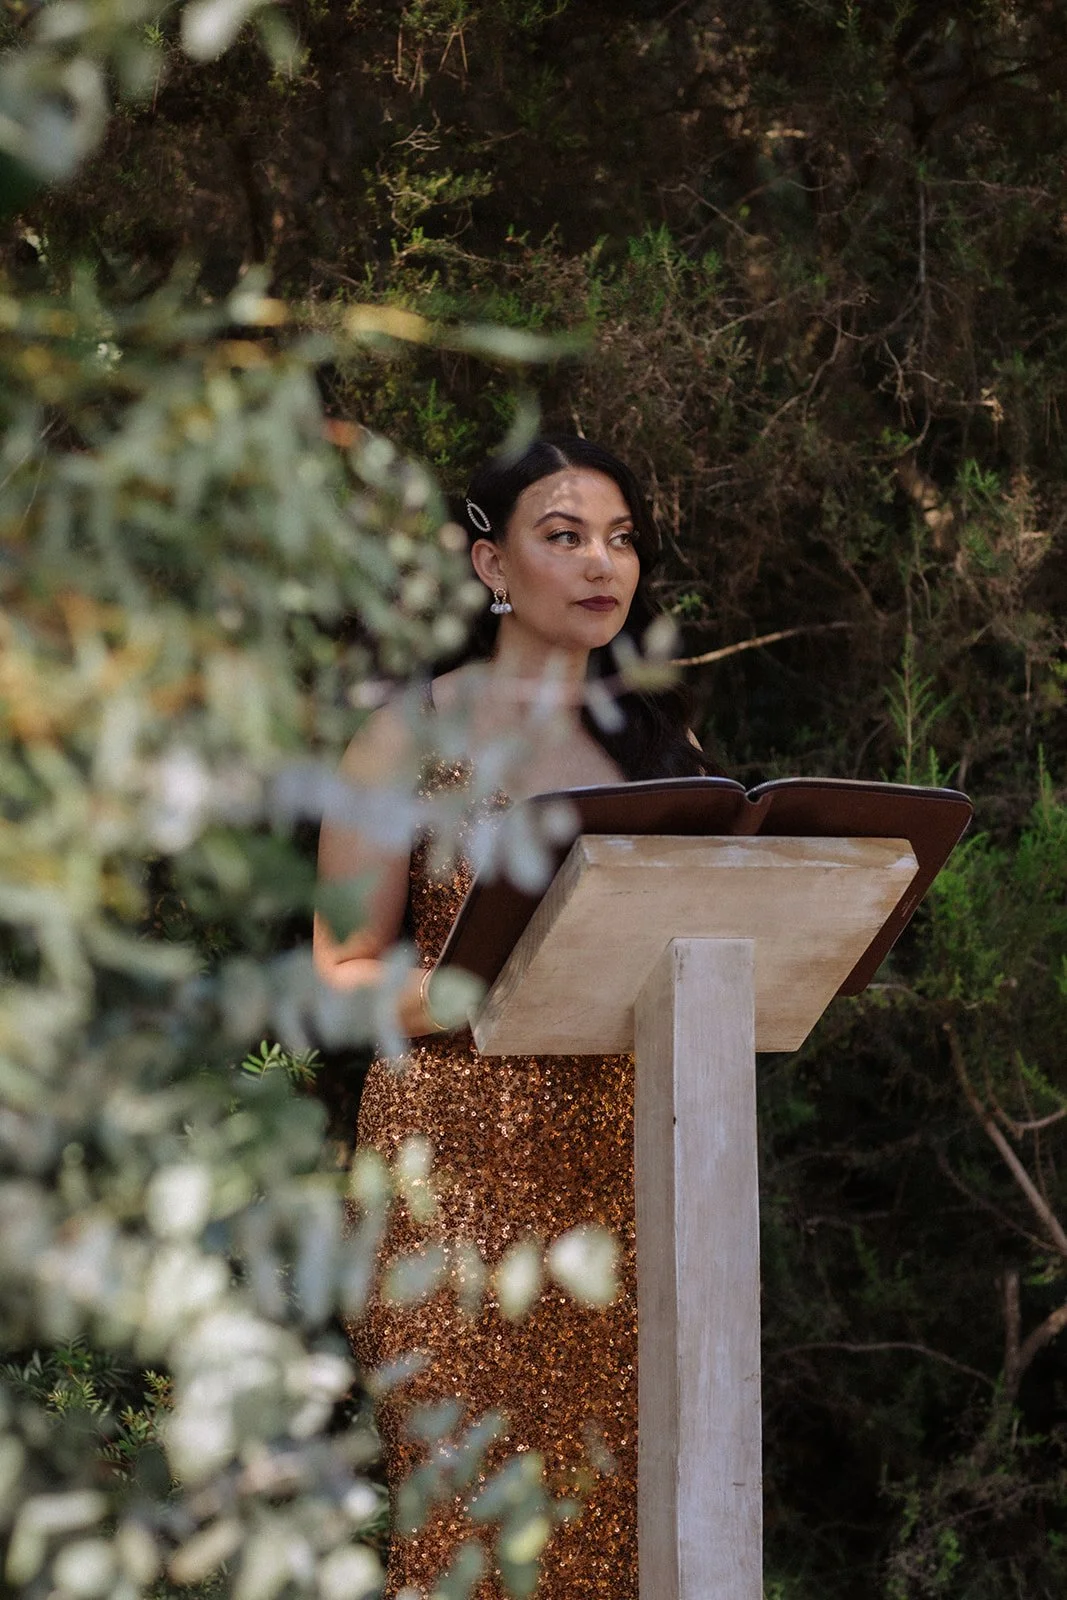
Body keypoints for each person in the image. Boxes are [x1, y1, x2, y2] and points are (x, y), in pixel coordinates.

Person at [313, 435, 708, 1599]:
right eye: (564, 535)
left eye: (620, 540)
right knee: (468, 1524)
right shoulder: (403, 736)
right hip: (453, 1184)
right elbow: (339, 973)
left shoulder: (661, 744)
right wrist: (490, 978)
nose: (600, 563)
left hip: (626, 1177)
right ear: (490, 565)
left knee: (627, 1519)